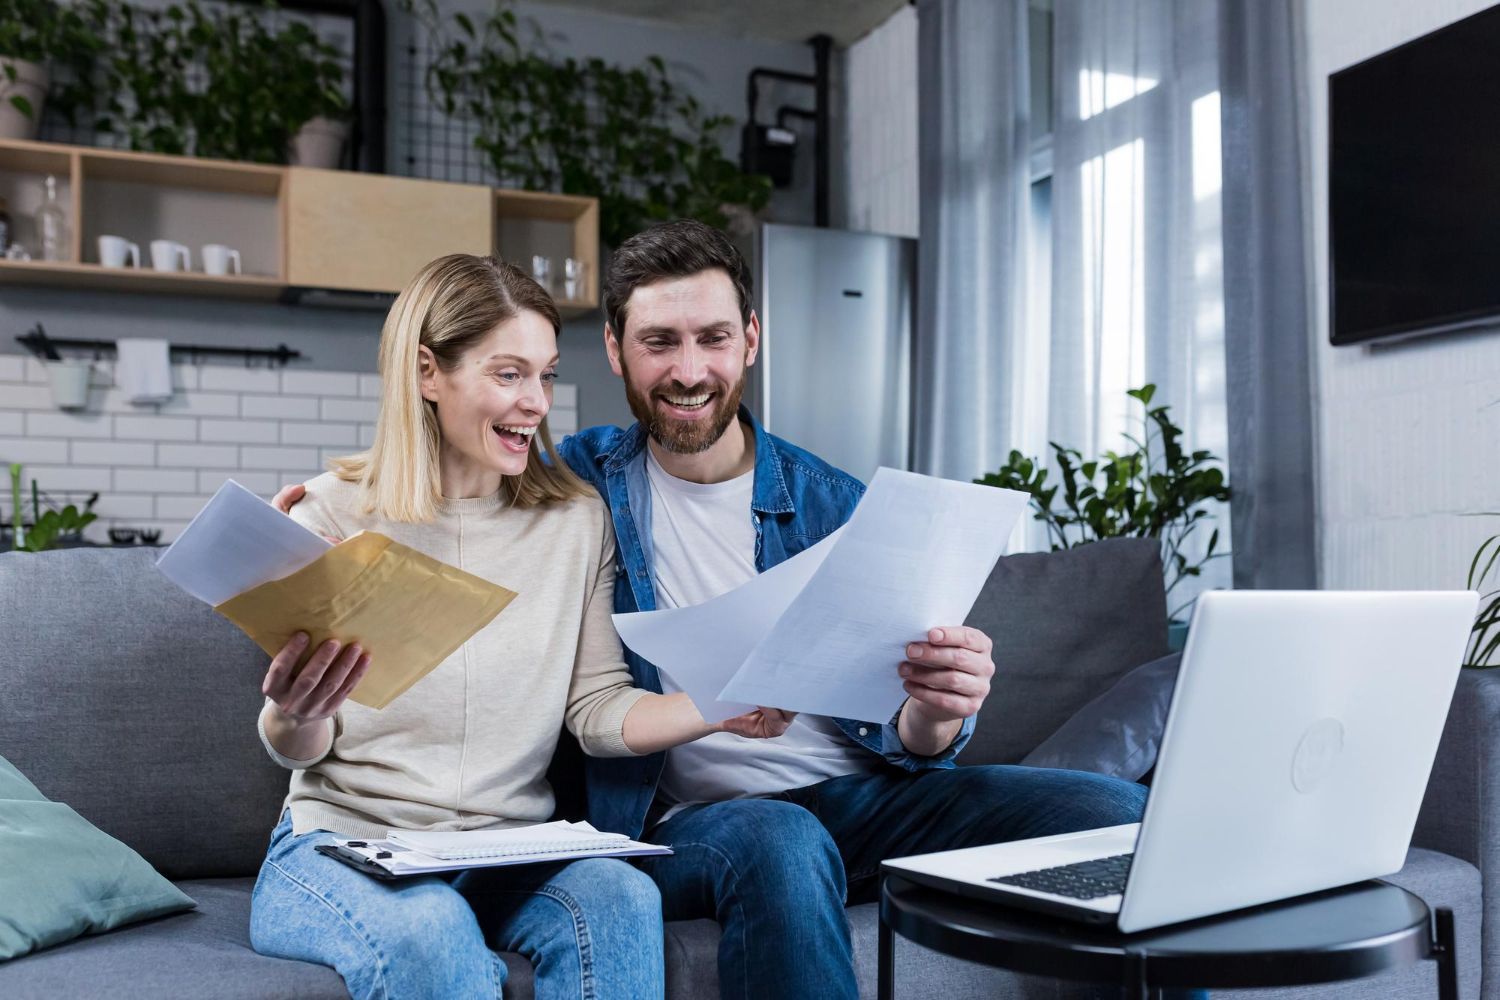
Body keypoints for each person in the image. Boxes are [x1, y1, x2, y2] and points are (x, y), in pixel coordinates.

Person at [552, 220, 1151, 1000]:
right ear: (614, 349)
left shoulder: (836, 504)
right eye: (659, 341)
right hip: (702, 822)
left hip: (869, 805)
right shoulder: (578, 482)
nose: (689, 370)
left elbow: (914, 740)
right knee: (781, 835)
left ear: (752, 339)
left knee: (1118, 809)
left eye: (714, 338)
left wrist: (940, 706)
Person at [249, 253, 797, 1000]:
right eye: (509, 375)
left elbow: (597, 707)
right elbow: (295, 743)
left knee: (620, 895)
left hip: (507, 852)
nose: (537, 402)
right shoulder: (330, 517)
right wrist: (295, 711)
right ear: (426, 373)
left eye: (545, 375)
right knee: (429, 927)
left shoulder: (574, 521)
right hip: (343, 846)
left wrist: (721, 705)